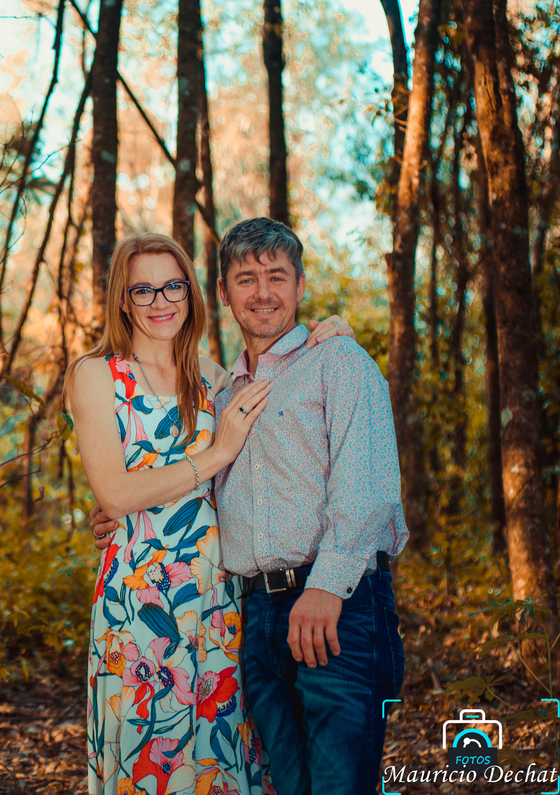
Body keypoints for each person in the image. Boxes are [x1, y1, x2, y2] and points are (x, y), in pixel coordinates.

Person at [89, 218, 407, 795]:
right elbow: (180, 481)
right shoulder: (224, 388)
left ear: (300, 285)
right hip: (247, 614)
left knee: (338, 782)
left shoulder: (334, 361)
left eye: (277, 277)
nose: (263, 293)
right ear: (223, 291)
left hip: (331, 603)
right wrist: (121, 509)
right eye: (246, 279)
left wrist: (326, 587)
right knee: (278, 781)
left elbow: (367, 486)